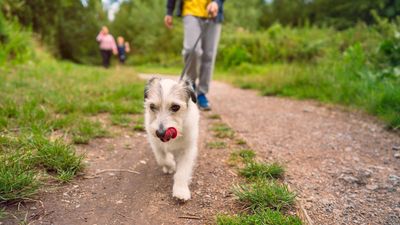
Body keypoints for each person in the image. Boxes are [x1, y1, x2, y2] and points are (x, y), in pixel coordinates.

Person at [164, 0, 224, 111]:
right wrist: (169, 11)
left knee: (209, 56)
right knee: (191, 50)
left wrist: (217, 2)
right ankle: (191, 85)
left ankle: (201, 93)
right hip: (190, 10)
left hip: (213, 13)